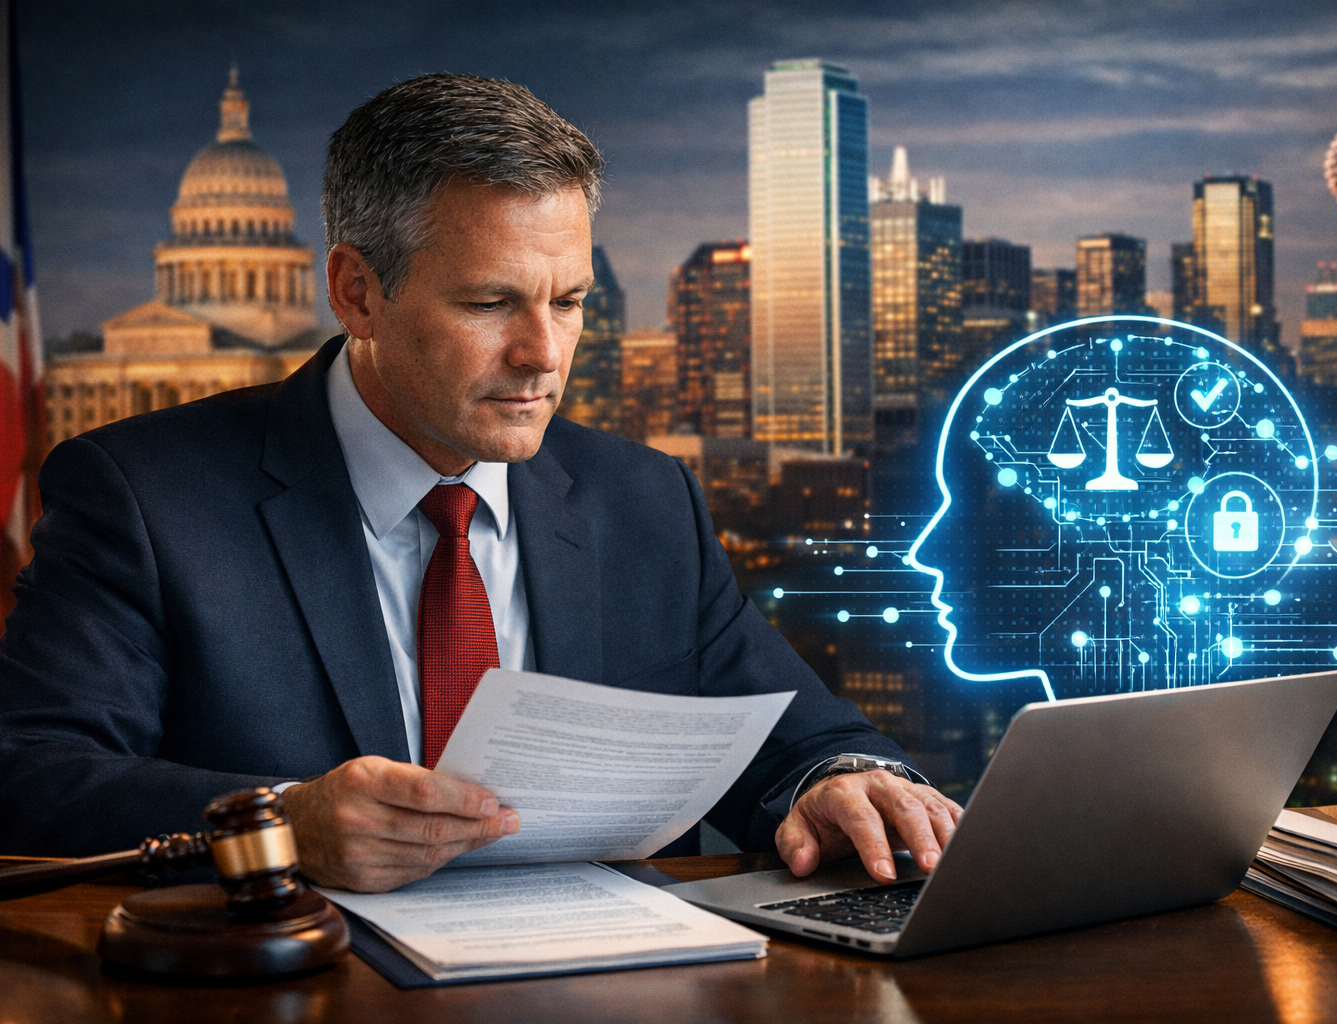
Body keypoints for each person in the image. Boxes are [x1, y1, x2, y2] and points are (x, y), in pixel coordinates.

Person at [0, 74, 960, 893]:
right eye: (489, 302)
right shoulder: (142, 496)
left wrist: (841, 780)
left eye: (572, 301)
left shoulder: (643, 500)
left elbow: (800, 738)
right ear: (356, 292)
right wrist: (284, 825)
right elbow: (30, 778)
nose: (544, 354)